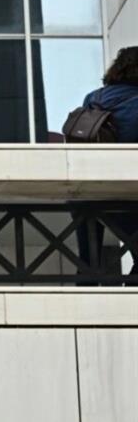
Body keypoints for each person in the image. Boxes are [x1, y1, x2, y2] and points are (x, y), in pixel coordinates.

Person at [74, 46, 138, 283]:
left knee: (88, 263)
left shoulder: (94, 98)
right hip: (125, 194)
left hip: (86, 191)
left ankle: (85, 296)